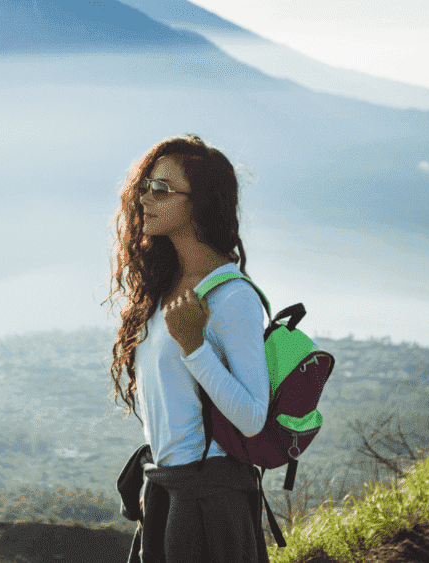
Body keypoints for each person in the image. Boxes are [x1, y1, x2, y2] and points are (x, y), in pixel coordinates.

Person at [105, 134, 271, 563]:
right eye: (145, 186)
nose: (144, 198)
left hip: (210, 502)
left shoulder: (233, 298)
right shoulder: (164, 289)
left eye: (161, 189)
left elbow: (253, 417)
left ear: (199, 204)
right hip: (169, 492)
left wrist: (195, 348)